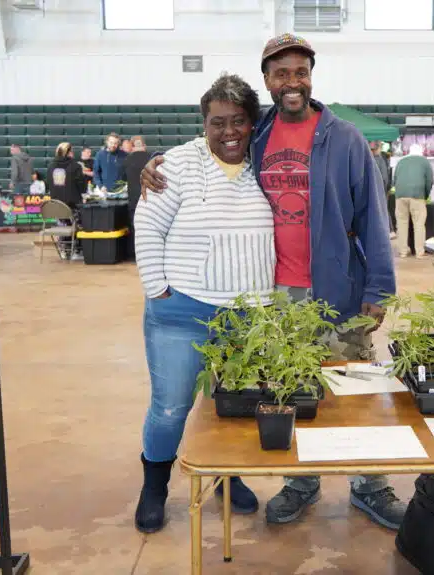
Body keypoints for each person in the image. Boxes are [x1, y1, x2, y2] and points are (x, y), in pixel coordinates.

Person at [139, 33, 401, 531]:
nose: (292, 81)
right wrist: (152, 167)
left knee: (355, 390)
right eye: (281, 74)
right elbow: (211, 145)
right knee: (289, 389)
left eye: (300, 71)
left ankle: (372, 484)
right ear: (267, 81)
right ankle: (300, 482)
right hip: (274, 298)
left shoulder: (342, 137)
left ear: (311, 75)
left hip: (337, 290)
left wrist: (378, 289)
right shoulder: (256, 134)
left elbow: (373, 215)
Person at [132, 73, 274, 534]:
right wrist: (158, 290)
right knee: (171, 406)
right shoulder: (175, 164)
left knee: (233, 405)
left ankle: (229, 476)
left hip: (248, 316)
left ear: (252, 123)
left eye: (238, 121)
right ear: (204, 123)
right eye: (217, 123)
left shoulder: (267, 163)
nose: (228, 132)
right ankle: (154, 487)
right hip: (182, 312)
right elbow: (148, 225)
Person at [394, 143, 433, 257]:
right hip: (417, 194)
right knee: (419, 223)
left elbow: (394, 179)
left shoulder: (401, 161)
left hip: (400, 195)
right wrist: (425, 195)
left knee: (401, 223)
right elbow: (429, 181)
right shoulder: (424, 162)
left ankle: (402, 252)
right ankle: (419, 252)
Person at [121, 136, 151, 258]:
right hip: (151, 199)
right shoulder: (152, 158)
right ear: (144, 145)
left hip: (134, 199)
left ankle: (135, 254)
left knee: (135, 227)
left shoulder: (127, 160)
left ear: (132, 146)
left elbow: (123, 178)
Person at [46, 142, 86, 213]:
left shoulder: (50, 166)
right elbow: (82, 186)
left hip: (56, 207)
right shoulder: (76, 166)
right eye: (72, 151)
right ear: (69, 152)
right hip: (73, 207)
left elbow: (48, 184)